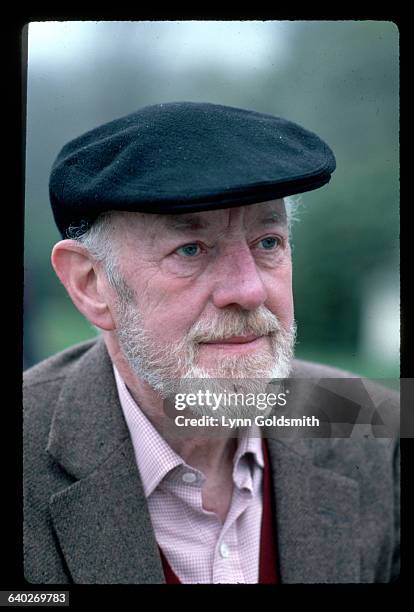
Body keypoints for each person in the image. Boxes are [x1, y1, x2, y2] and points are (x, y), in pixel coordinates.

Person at [23, 101, 399, 584]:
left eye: (268, 242)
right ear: (92, 284)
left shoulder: (368, 419)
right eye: (191, 249)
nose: (248, 290)